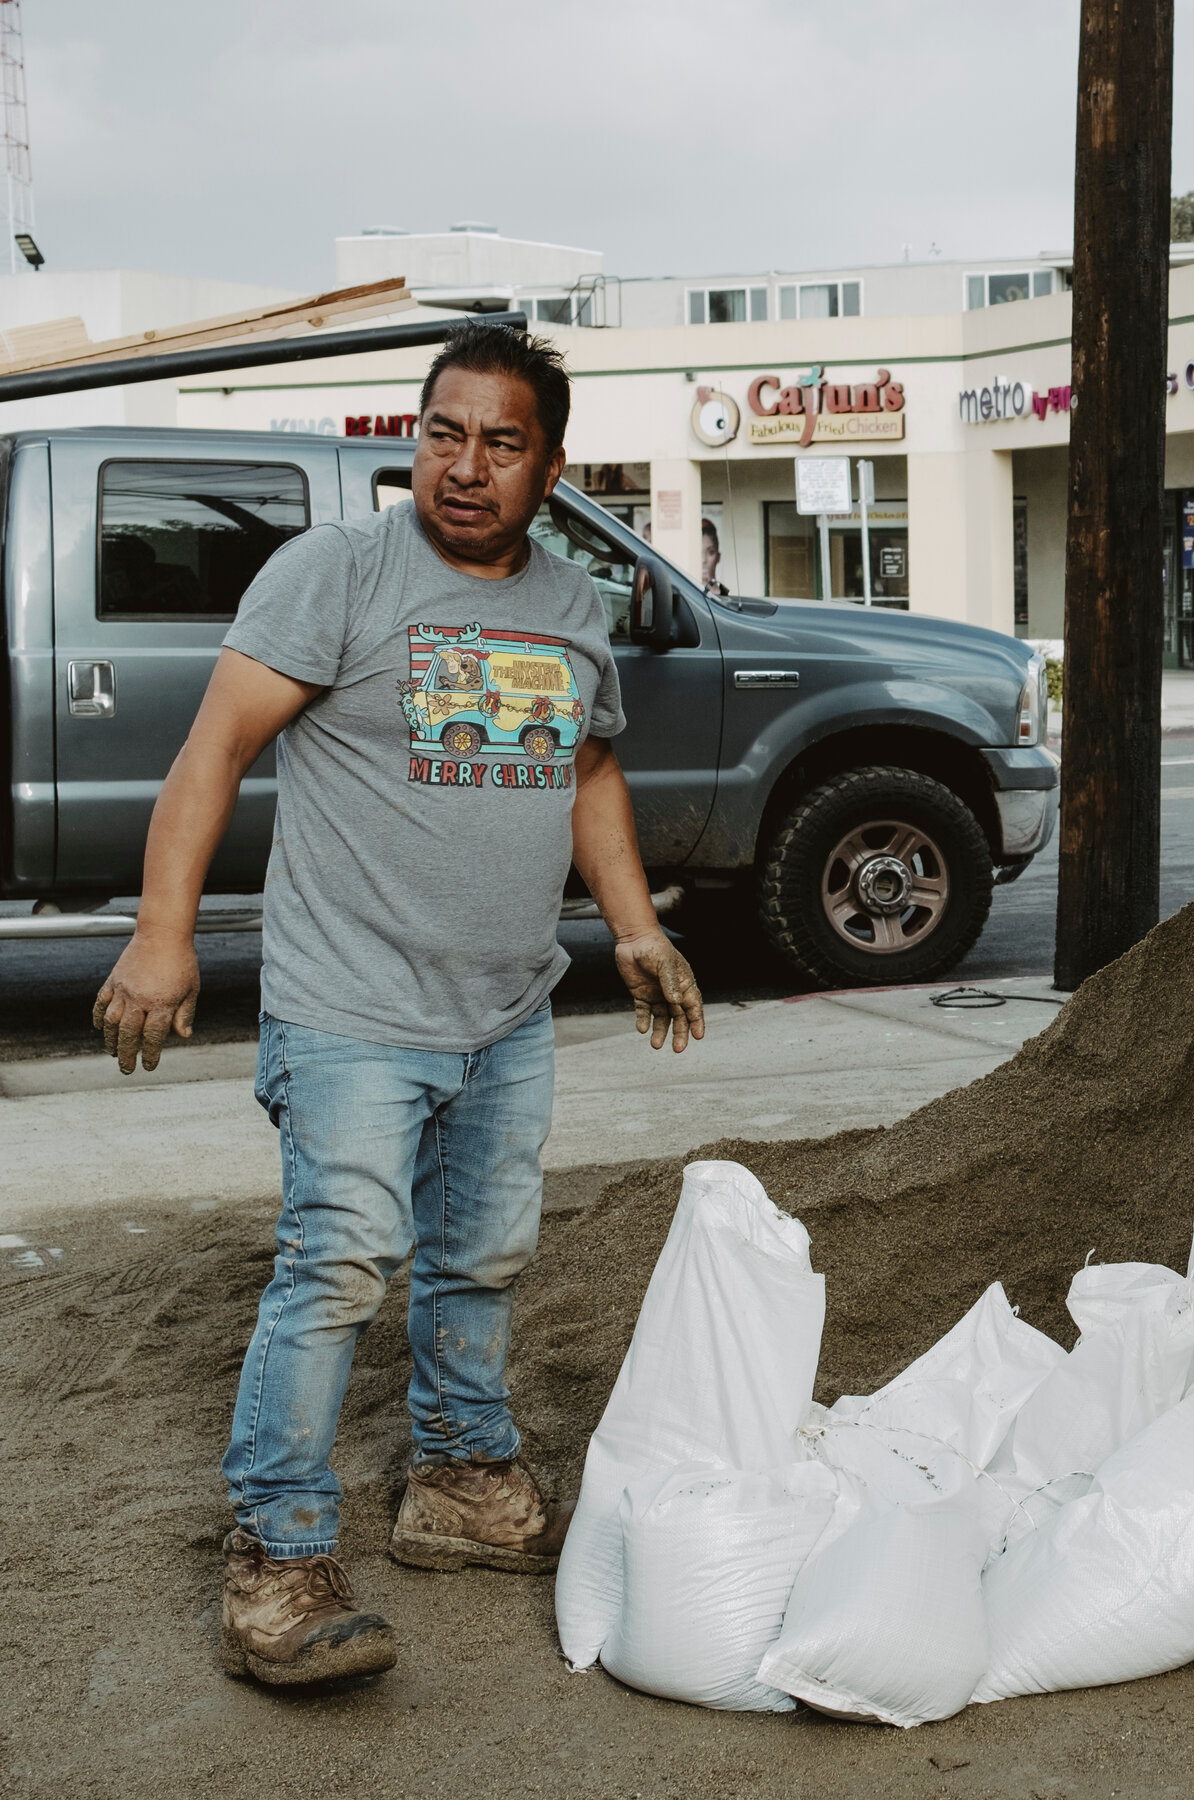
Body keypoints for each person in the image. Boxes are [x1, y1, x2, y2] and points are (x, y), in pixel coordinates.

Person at [92, 320, 705, 1688]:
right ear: (412, 438)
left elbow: (587, 773)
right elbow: (215, 749)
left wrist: (635, 927)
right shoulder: (338, 575)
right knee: (341, 1261)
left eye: (500, 442)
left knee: (482, 1255)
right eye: (443, 432)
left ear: (550, 468)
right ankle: (279, 1553)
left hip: (506, 1009)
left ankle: (460, 1482)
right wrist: (161, 936)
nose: (465, 466)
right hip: (350, 1004)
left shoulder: (566, 604)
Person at [699, 515, 730, 597]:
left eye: (710, 552)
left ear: (718, 556)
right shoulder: (690, 593)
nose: (703, 560)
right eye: (698, 553)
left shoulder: (723, 592)